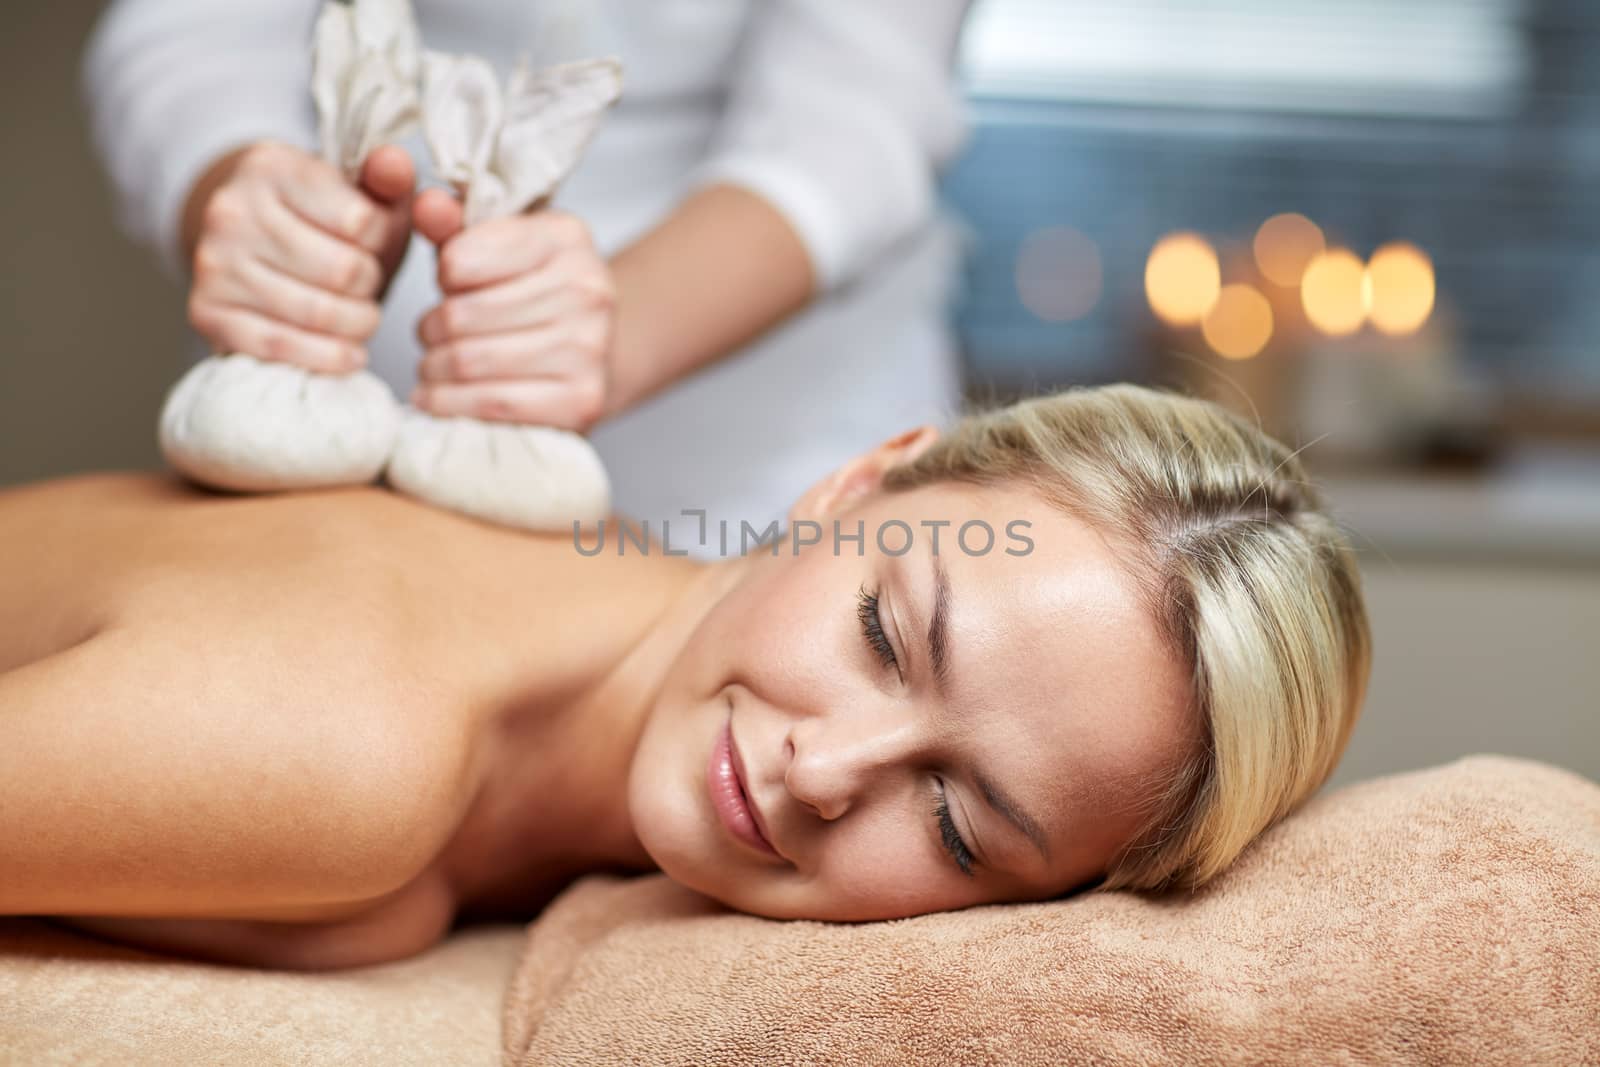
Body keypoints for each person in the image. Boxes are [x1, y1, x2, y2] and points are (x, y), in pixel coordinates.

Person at [0, 384, 1371, 971]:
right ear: (859, 480)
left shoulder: (567, 600)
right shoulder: (349, 750)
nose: (823, 773)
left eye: (955, 822)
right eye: (886, 636)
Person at [81, 0, 975, 550]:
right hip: (343, 377)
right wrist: (257, 204)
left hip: (770, 436)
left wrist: (610, 329)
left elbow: (859, 112)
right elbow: (193, 31)